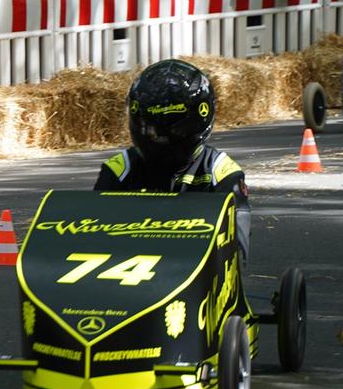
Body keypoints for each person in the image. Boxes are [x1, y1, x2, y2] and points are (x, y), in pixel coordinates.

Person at [94, 59, 249, 254]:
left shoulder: (222, 171)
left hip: (197, 272)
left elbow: (237, 246)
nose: (163, 136)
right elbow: (91, 233)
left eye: (174, 126)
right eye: (154, 128)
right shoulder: (118, 169)